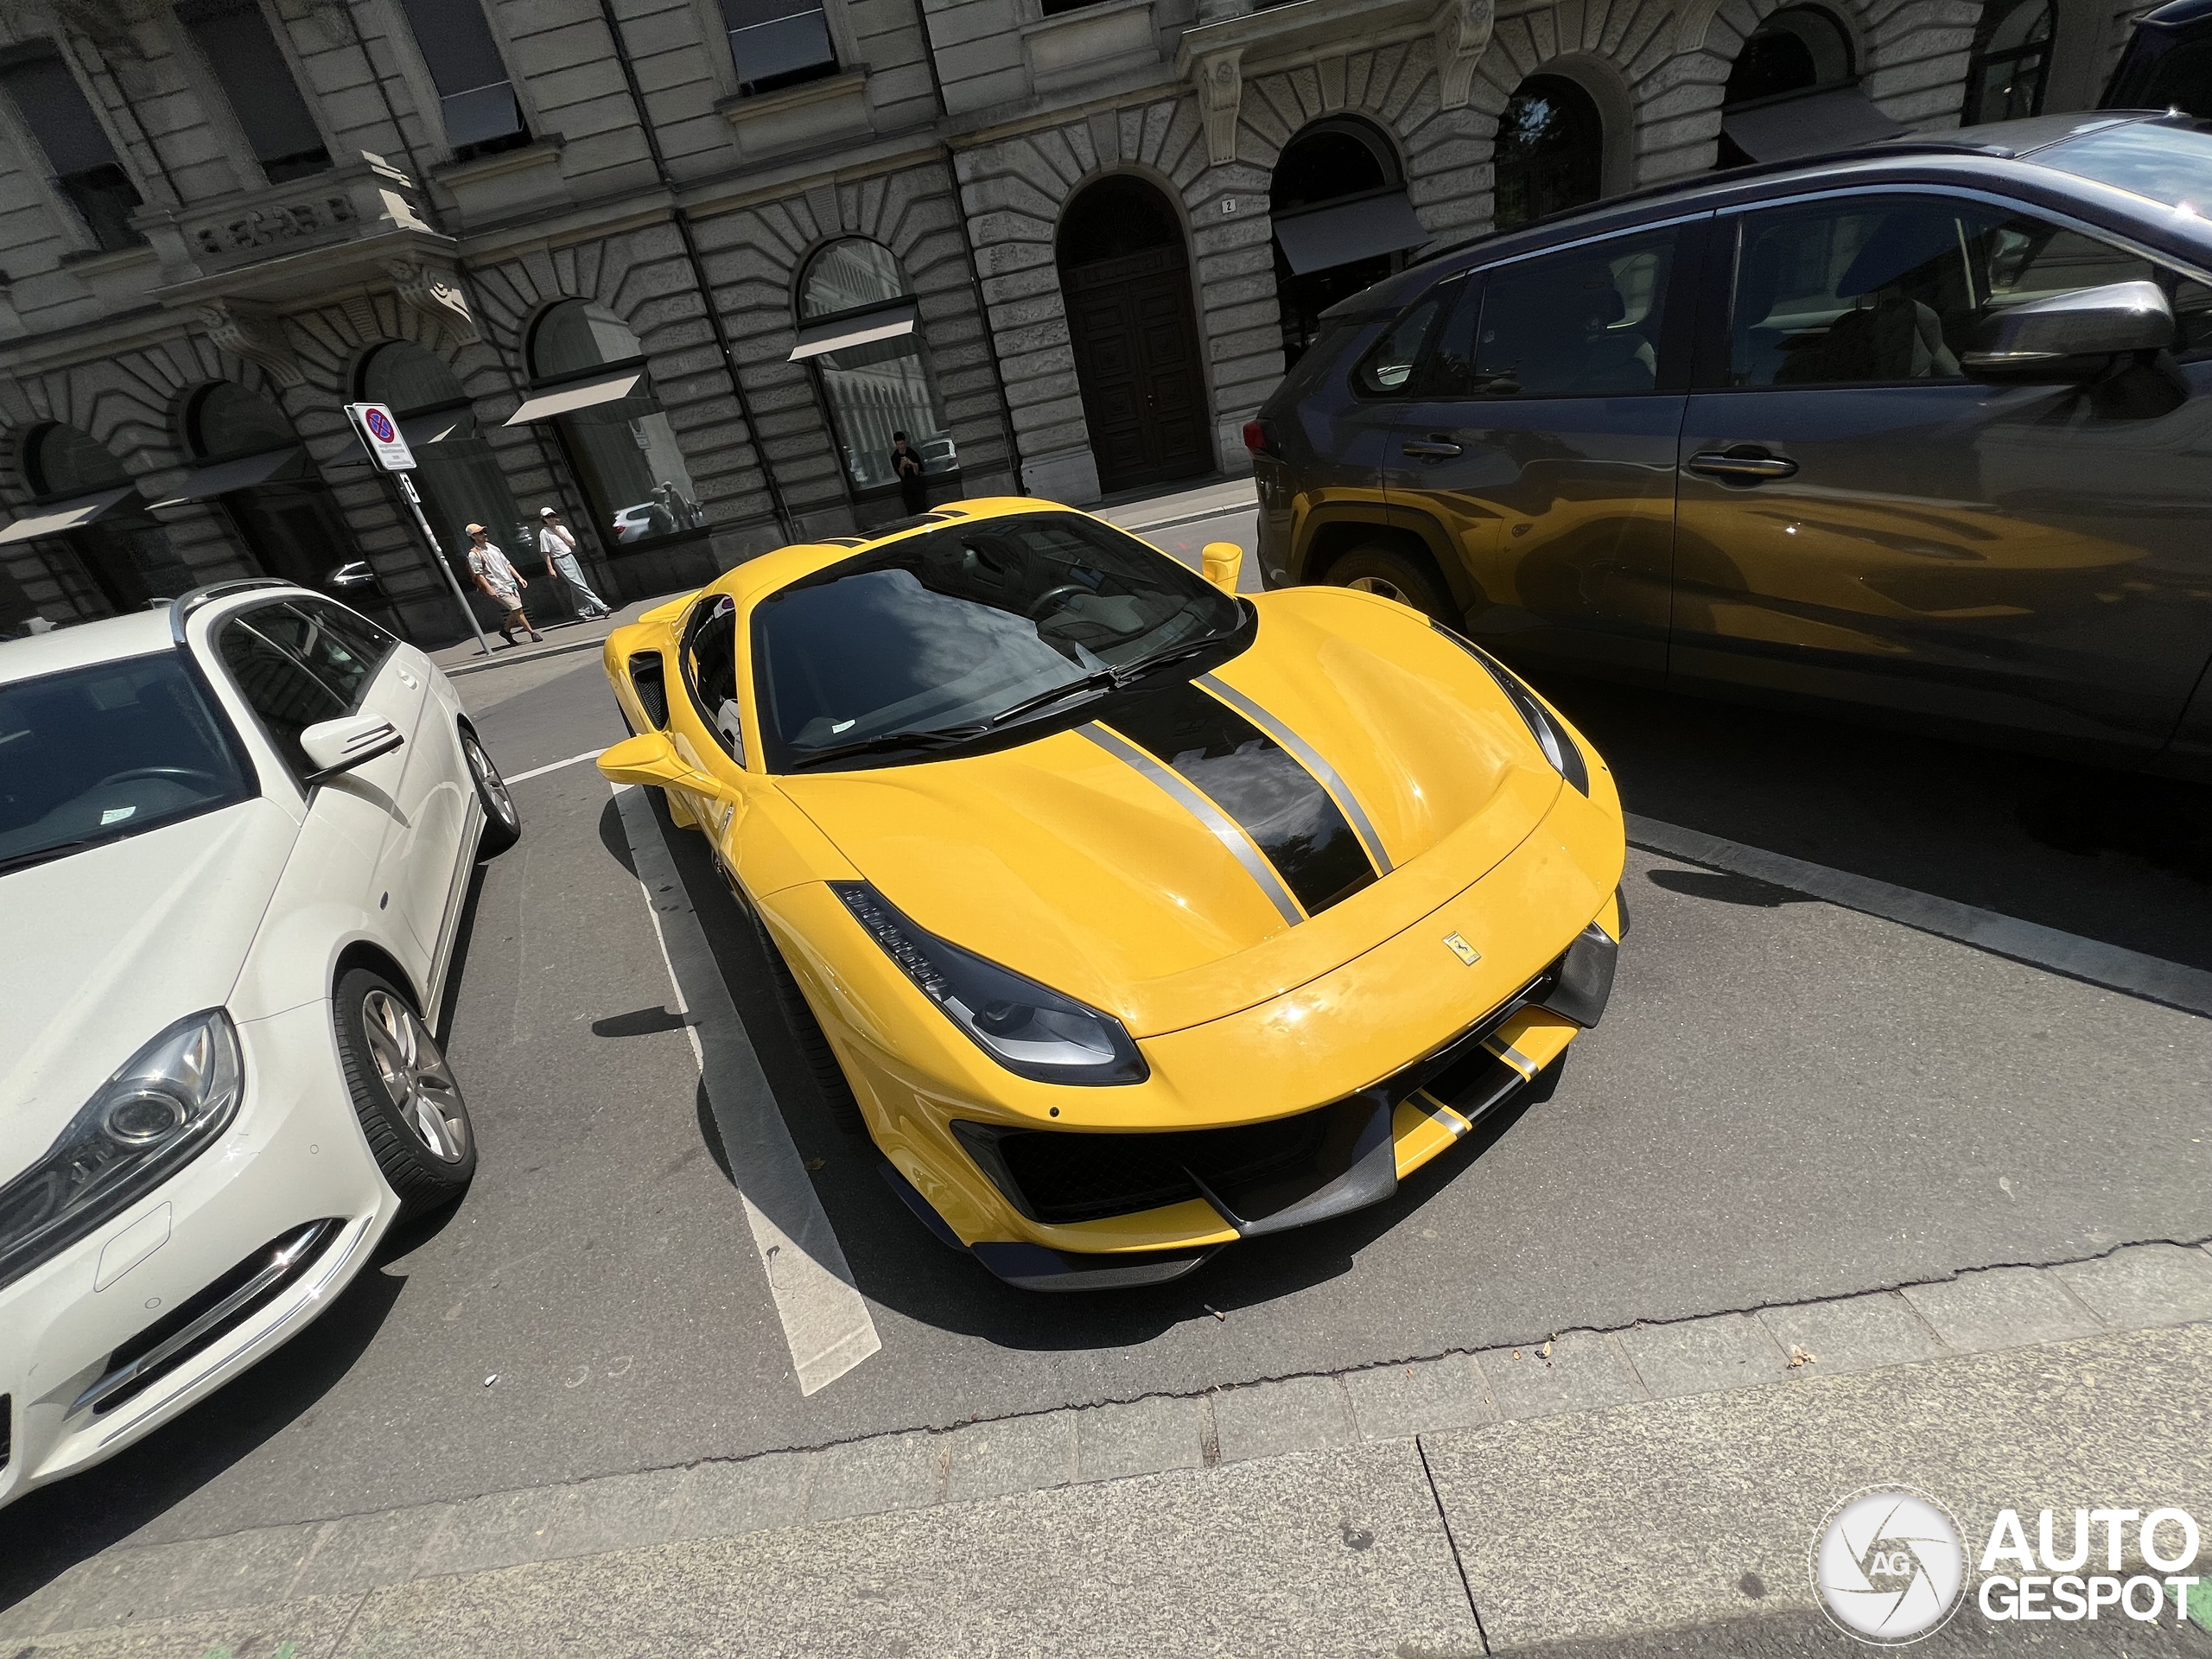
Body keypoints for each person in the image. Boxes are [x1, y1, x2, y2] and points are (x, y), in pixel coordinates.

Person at [466, 523, 540, 645]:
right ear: (473, 537)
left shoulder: (493, 548)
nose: (484, 535)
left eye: (484, 532)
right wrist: (489, 589)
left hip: (509, 583)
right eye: (480, 533)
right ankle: (532, 633)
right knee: (517, 608)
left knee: (515, 610)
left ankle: (506, 631)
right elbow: (479, 575)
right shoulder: (474, 554)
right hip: (497, 586)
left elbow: (507, 564)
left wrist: (519, 578)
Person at [537, 506, 611, 620]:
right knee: (579, 585)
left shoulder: (562, 528)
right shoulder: (544, 533)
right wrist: (550, 568)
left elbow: (573, 544)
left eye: (552, 516)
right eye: (548, 517)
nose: (551, 518)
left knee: (577, 585)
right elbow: (546, 552)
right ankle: (602, 607)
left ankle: (581, 612)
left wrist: (558, 532)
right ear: (543, 519)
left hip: (570, 557)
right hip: (559, 560)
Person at [891, 431, 928, 515]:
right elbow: (902, 475)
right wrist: (901, 466)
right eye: (899, 444)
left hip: (917, 484)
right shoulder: (895, 457)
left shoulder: (912, 453)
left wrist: (911, 463)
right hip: (907, 486)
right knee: (911, 508)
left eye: (903, 444)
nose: (902, 447)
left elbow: (917, 471)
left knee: (922, 506)